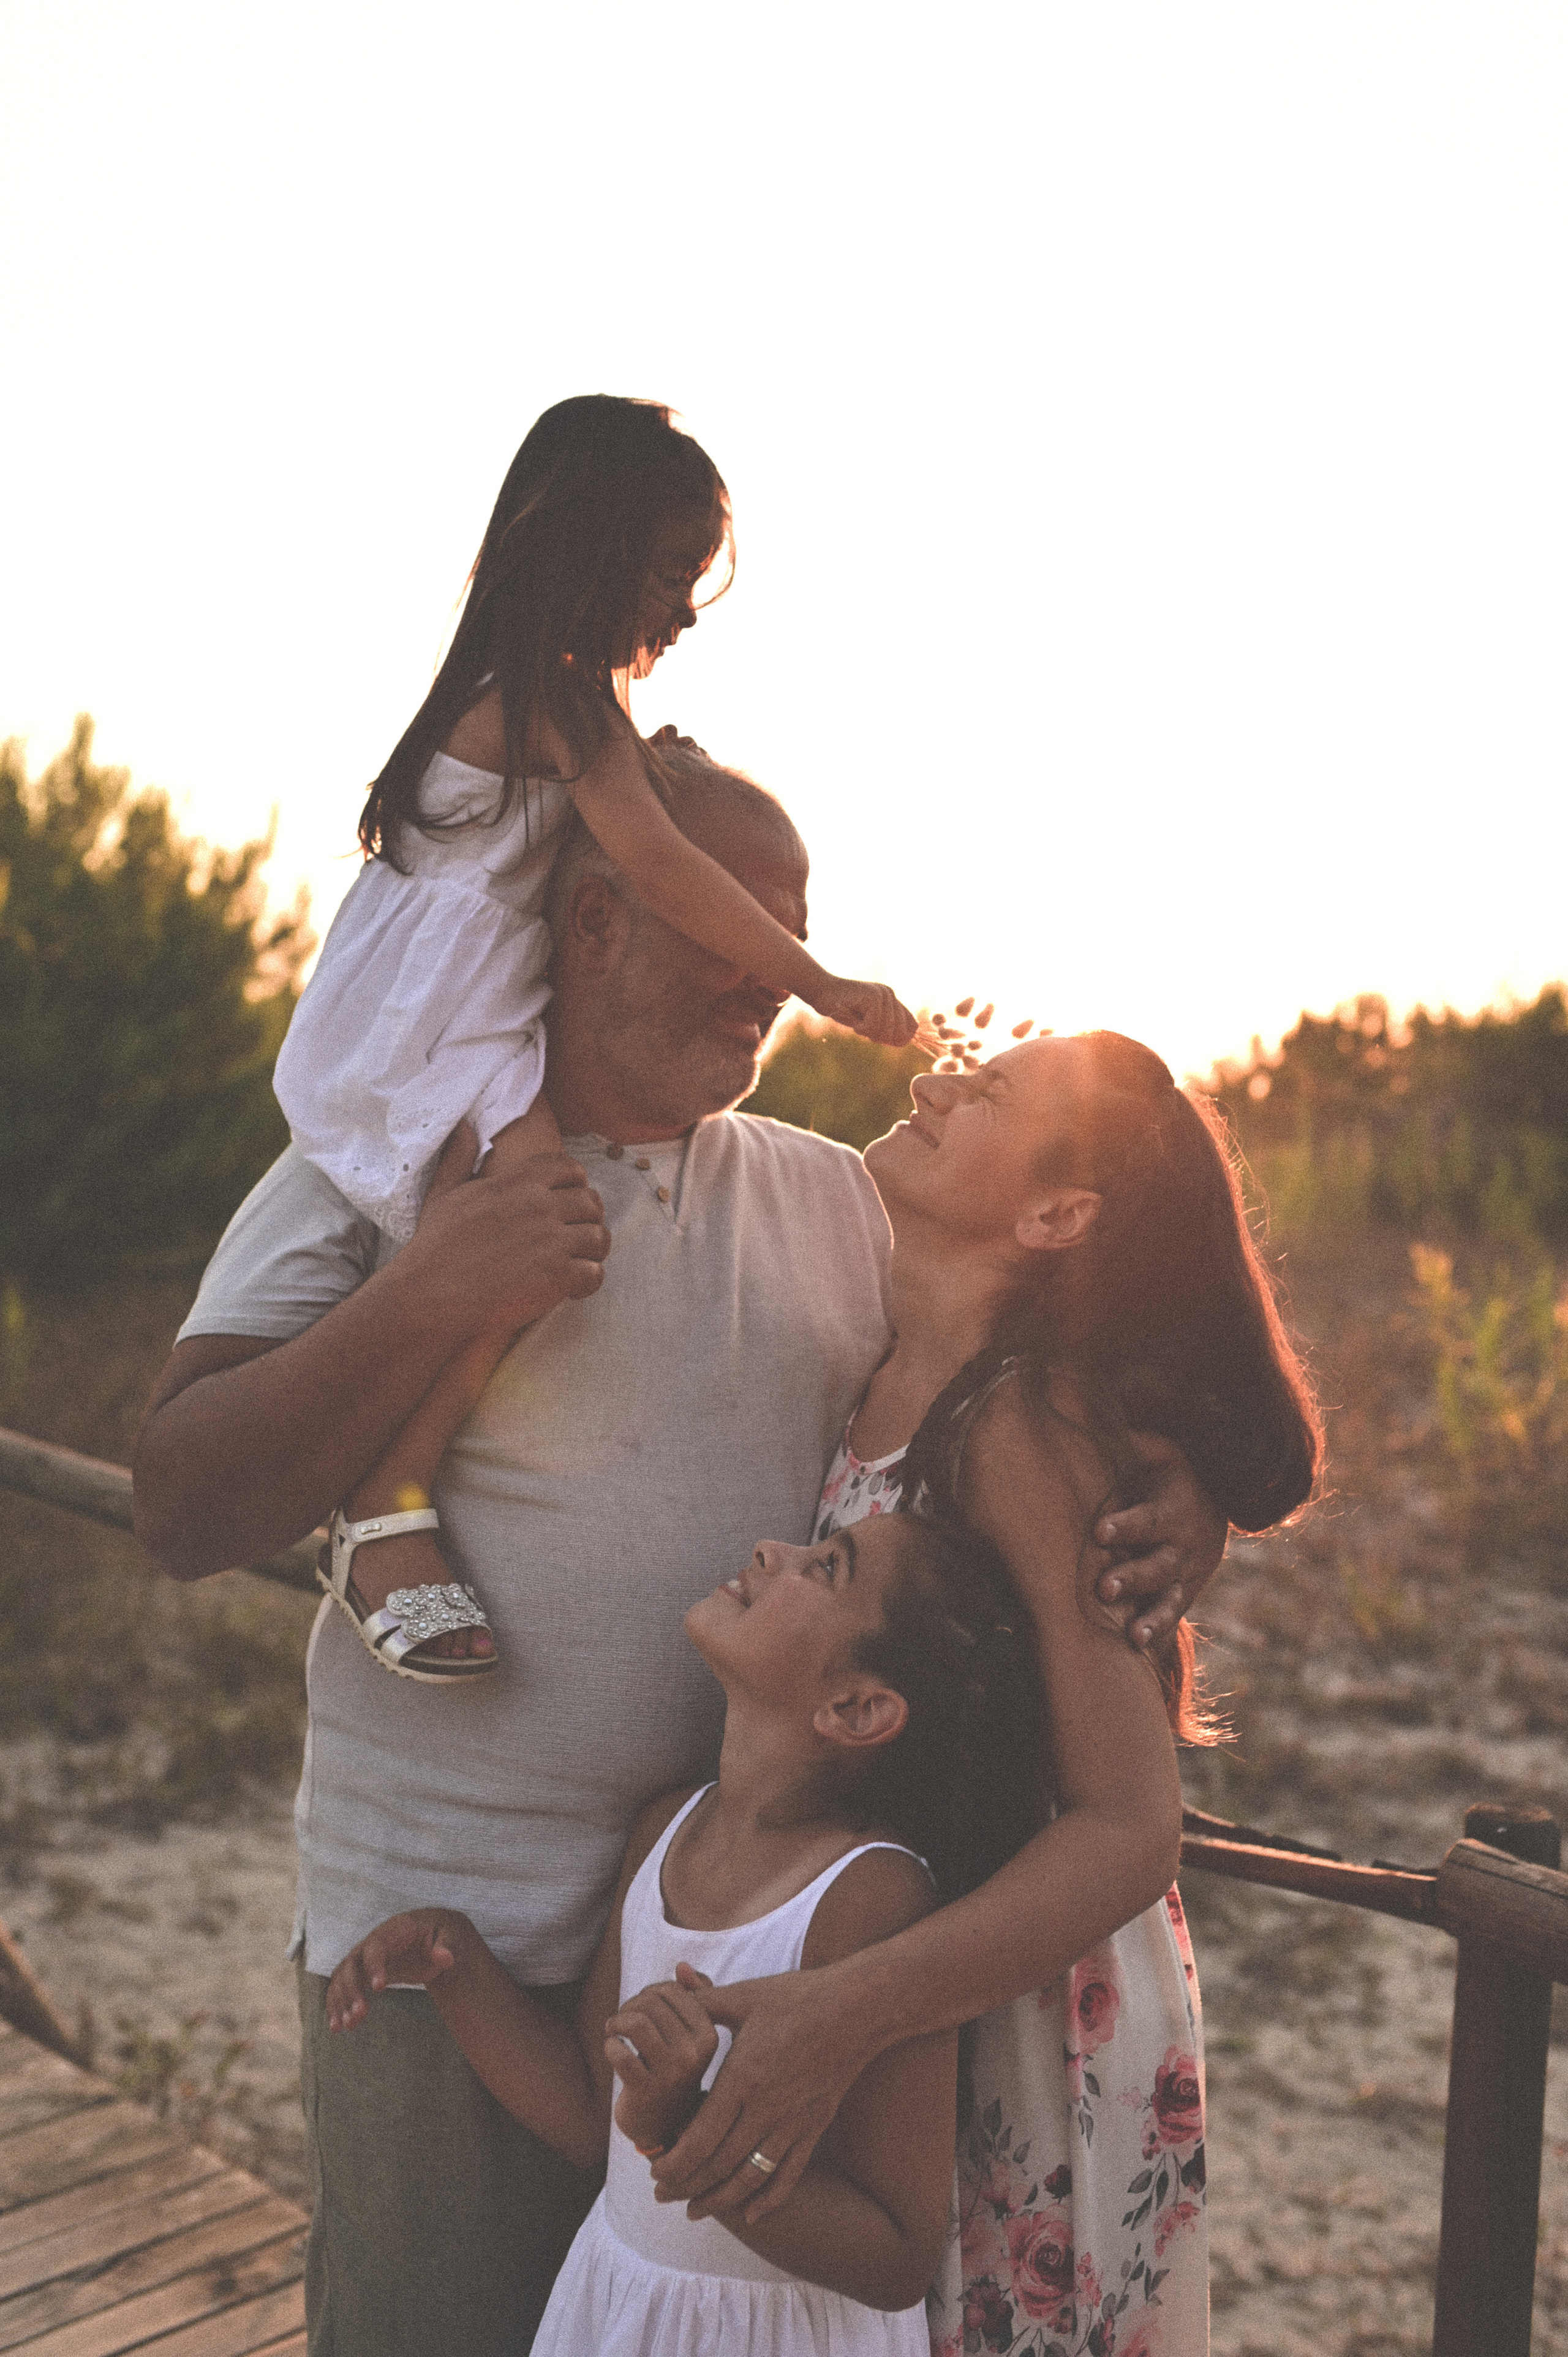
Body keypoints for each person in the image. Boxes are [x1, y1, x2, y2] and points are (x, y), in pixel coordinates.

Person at [132, 759, 1224, 2357]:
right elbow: (176, 1505)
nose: (779, 972)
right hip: (457, 1951)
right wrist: (435, 1288)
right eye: (744, 925)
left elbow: (1033, 1352)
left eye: (800, 929)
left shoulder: (829, 1200)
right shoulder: (369, 1167)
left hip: (752, 1950)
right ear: (592, 915)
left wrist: (1189, 1481)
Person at [646, 1030, 1322, 2356]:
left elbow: (1131, 1825)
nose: (929, 1082)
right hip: (886, 1987)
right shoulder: (872, 1360)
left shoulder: (1016, 1426)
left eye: (987, 1090)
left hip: (1003, 2005)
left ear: (1056, 1213)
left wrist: (846, 2009)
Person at [271, 395, 915, 1682]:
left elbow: (635, 841)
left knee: (534, 1233)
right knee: (537, 1233)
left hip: (471, 1014)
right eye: (671, 574)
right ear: (588, 545)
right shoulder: (550, 706)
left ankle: (391, 1488)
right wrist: (816, 978)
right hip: (440, 1028)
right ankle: (383, 1504)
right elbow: (664, 872)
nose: (681, 611)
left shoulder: (555, 709)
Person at [323, 1509, 1042, 2355]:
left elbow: (896, 2255)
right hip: (619, 2307)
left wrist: (682, 2130)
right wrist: (453, 1961)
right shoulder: (664, 1832)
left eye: (826, 1567)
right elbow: (595, 2117)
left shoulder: (868, 1897)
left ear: (856, 1708)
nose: (772, 1550)